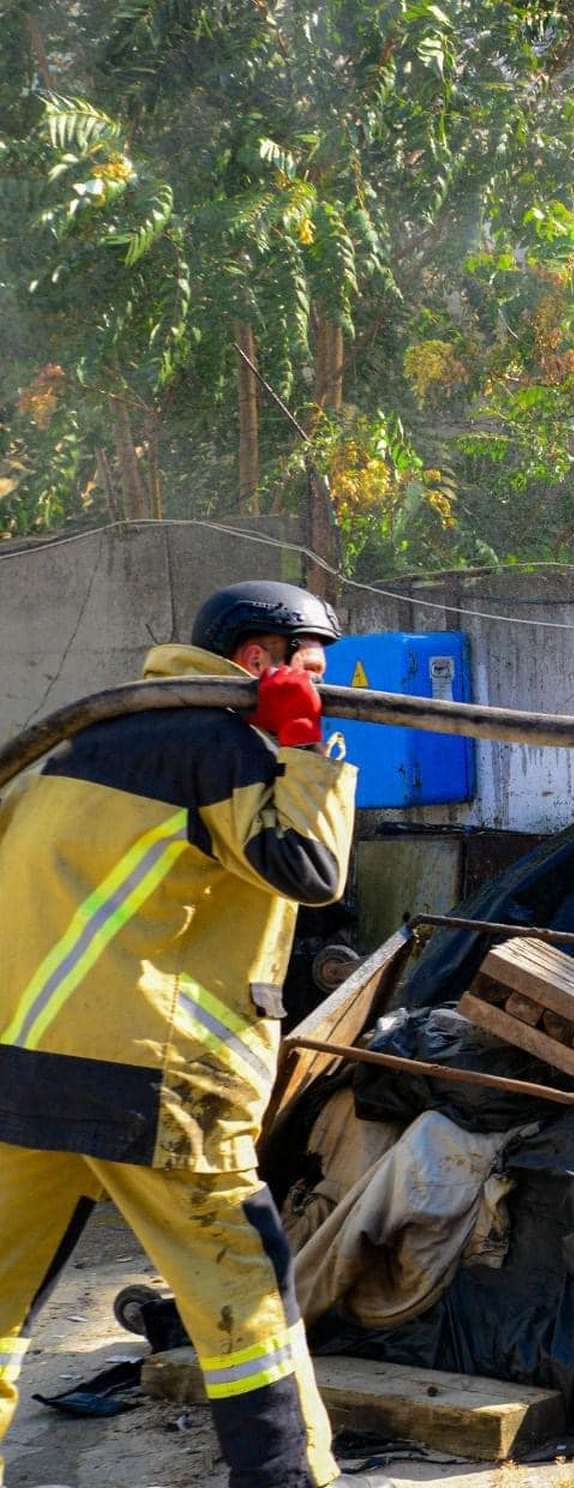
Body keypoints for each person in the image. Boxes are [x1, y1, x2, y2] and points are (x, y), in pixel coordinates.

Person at [0, 581, 389, 1488]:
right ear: (260, 660)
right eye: (313, 670)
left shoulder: (73, 743)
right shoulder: (222, 749)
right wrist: (301, 746)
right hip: (157, 1080)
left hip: (20, 1074)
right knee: (246, 1304)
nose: (322, 689)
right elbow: (311, 868)